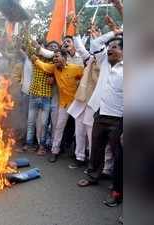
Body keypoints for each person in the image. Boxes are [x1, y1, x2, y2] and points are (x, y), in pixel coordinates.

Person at [77, 35, 123, 208]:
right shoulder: (103, 62)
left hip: (119, 119)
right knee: (96, 148)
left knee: (119, 155)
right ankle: (93, 176)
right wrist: (114, 33)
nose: (110, 49)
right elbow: (96, 43)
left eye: (116, 47)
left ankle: (117, 188)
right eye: (109, 46)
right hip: (100, 114)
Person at [31, 49, 84, 163]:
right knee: (59, 127)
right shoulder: (53, 68)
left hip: (77, 104)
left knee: (80, 130)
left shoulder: (75, 68)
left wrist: (80, 84)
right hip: (63, 104)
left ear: (65, 58)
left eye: (57, 56)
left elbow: (84, 76)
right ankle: (55, 152)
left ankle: (80, 157)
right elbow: (44, 66)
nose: (55, 58)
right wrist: (35, 60)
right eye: (54, 57)